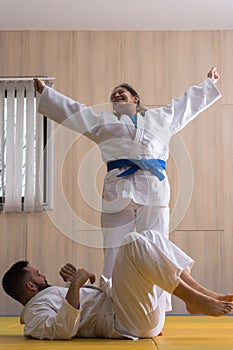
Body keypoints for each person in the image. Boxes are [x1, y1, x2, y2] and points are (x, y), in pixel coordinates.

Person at [33, 67, 221, 279]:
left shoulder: (160, 118)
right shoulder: (102, 122)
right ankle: (112, 303)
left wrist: (208, 84)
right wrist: (47, 94)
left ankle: (157, 306)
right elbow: (76, 112)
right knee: (114, 249)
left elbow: (185, 105)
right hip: (117, 189)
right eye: (113, 94)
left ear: (135, 99)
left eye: (121, 91)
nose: (116, 94)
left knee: (156, 246)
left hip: (153, 188)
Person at [2, 230, 233, 340]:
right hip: (126, 323)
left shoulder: (50, 296)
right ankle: (191, 298)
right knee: (131, 242)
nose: (43, 275)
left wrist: (76, 284)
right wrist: (75, 287)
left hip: (133, 313)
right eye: (38, 275)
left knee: (151, 235)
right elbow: (62, 330)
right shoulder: (33, 314)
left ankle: (198, 292)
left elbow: (84, 309)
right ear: (31, 286)